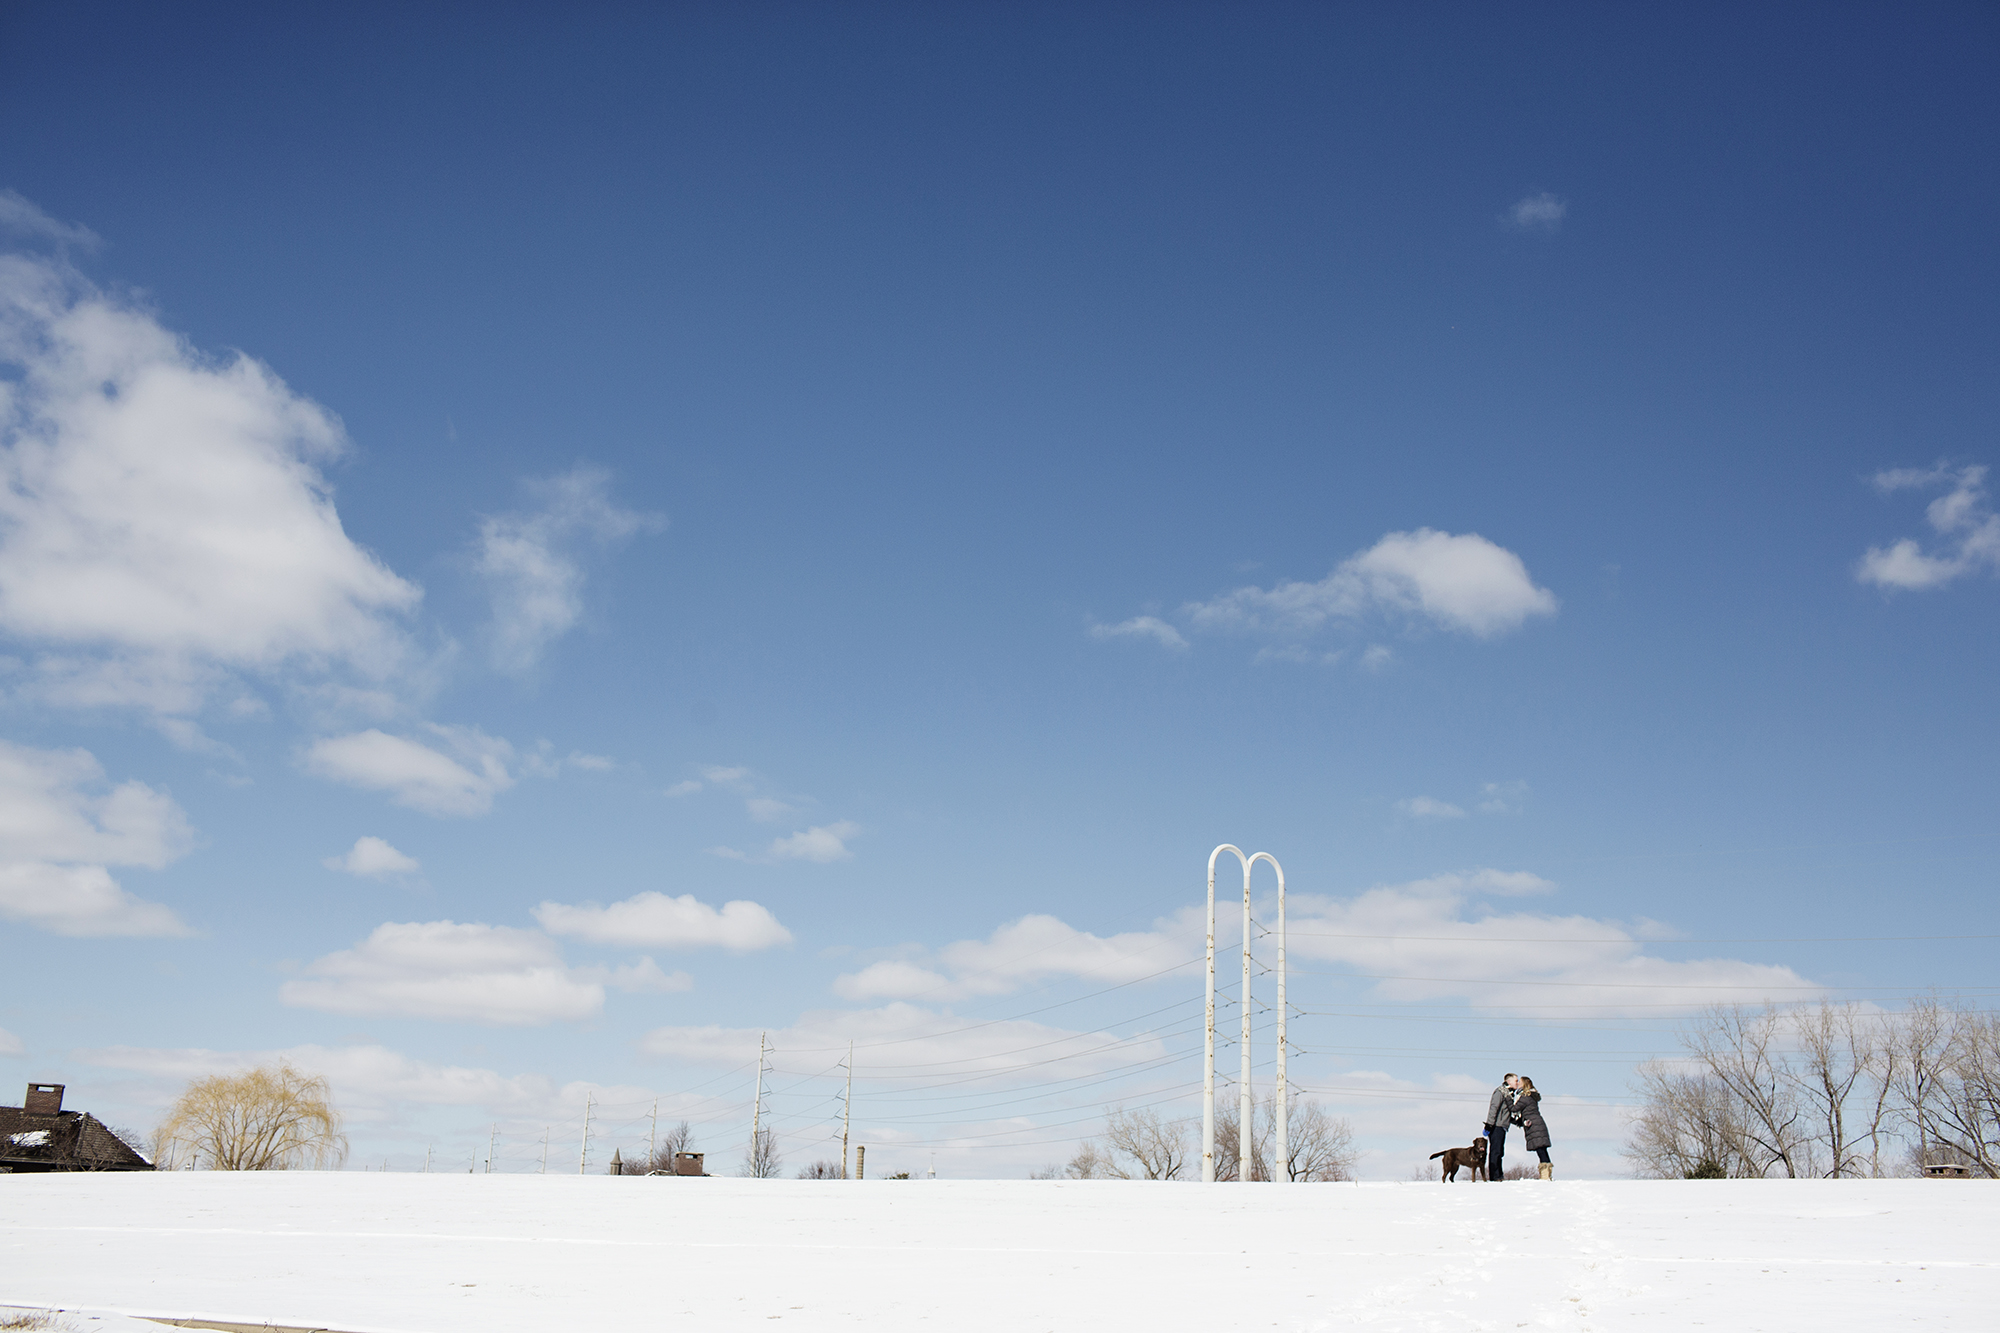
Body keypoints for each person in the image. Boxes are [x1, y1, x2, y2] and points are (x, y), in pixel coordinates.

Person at [1515, 1074, 1553, 1180]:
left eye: (1520, 1082)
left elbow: (1514, 1108)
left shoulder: (1525, 1097)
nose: (1517, 1084)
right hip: (1537, 1124)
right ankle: (1547, 1173)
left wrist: (1508, 1100)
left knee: (1540, 1149)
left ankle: (1545, 1175)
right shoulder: (1531, 1096)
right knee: (1542, 1150)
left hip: (1534, 1126)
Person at [1483, 1072, 1518, 1182]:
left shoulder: (1509, 1094)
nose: (1518, 1083)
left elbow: (1507, 1113)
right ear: (1508, 1081)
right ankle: (1495, 1176)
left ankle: (1499, 1174)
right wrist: (1489, 1125)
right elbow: (1494, 1108)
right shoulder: (1500, 1092)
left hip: (1502, 1126)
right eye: (1516, 1081)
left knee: (1500, 1152)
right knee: (1495, 1151)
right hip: (1496, 1126)